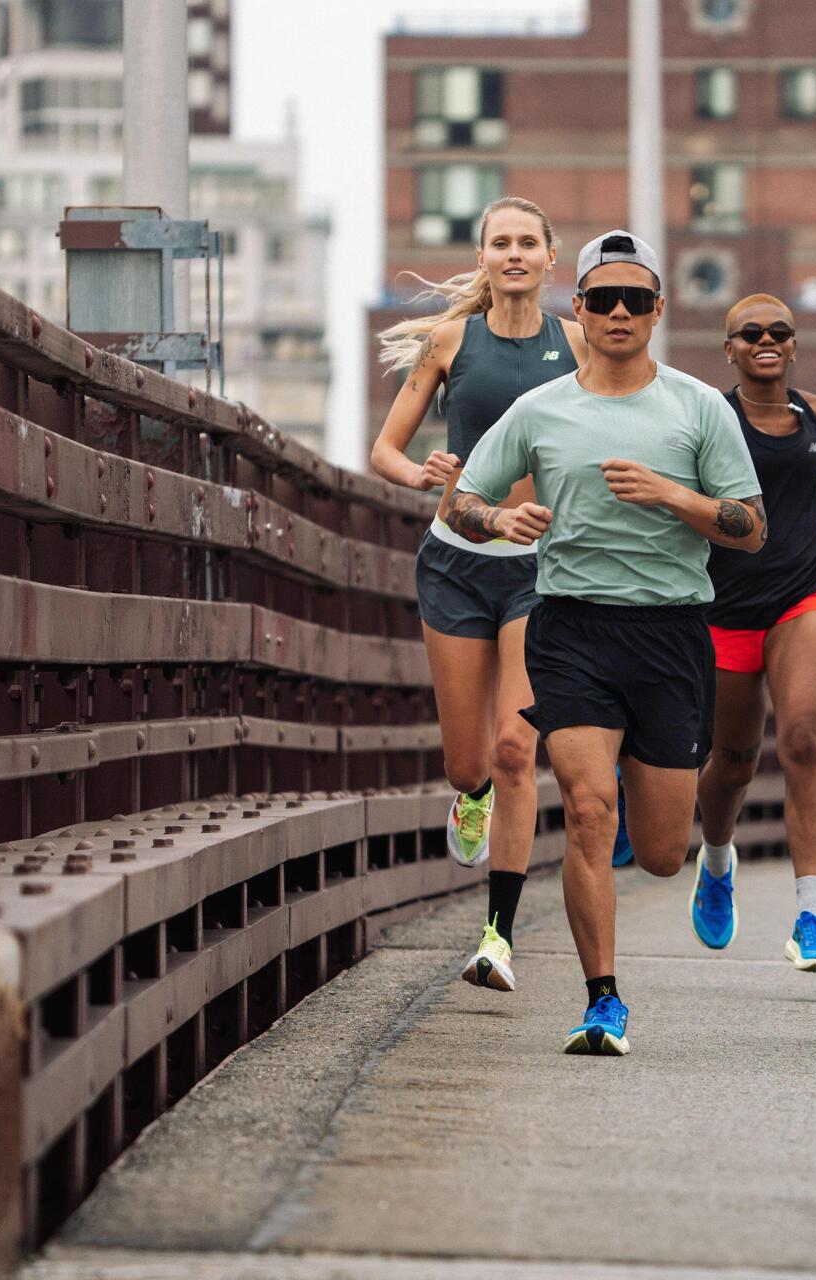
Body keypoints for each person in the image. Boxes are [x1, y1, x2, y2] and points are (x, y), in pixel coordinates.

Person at [444, 230, 765, 1055]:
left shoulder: (698, 408)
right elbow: (462, 502)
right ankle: (602, 1001)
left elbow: (750, 528)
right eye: (601, 299)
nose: (618, 312)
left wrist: (671, 496)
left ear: (658, 311)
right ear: (577, 310)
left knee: (659, 852)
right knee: (588, 812)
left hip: (669, 633)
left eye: (635, 299)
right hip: (572, 627)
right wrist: (499, 518)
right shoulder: (541, 409)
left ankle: (687, 847)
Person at [370, 196, 587, 994]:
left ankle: (496, 935)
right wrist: (421, 472)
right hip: (456, 560)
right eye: (502, 242)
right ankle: (471, 801)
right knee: (470, 765)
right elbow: (386, 451)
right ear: (484, 255)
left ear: (551, 256)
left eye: (530, 241)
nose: (516, 254)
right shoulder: (450, 340)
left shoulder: (578, 346)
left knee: (515, 746)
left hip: (540, 568)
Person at [689, 294, 816, 975]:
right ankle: (717, 861)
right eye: (750, 334)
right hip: (724, 606)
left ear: (794, 345)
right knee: (734, 760)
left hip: (805, 595)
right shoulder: (708, 415)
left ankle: (812, 916)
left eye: (779, 332)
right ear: (730, 349)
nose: (765, 341)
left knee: (803, 734)